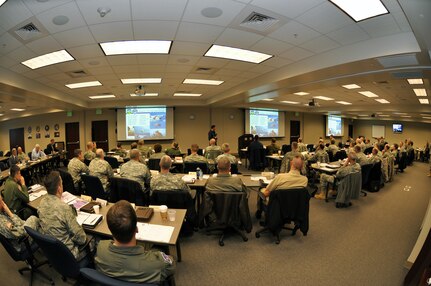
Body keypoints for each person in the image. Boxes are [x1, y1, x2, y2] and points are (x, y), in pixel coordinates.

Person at [95, 200, 175, 284]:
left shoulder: (101, 248)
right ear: (136, 229)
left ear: (110, 230)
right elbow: (171, 266)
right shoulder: (155, 264)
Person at [38, 171, 94, 261]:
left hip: (53, 251)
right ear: (59, 188)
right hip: (70, 255)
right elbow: (81, 239)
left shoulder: (42, 202)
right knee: (95, 239)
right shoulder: (64, 208)